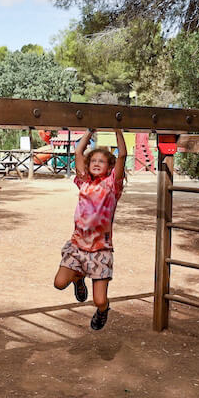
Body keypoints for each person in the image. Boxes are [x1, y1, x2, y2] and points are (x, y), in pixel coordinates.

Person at [54, 128, 127, 330]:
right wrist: (90, 130)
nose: (96, 164)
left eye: (101, 161)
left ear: (109, 167)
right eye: (93, 160)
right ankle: (78, 279)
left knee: (100, 301)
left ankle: (103, 311)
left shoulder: (113, 185)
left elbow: (122, 155)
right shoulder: (84, 182)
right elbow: (78, 153)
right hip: (78, 245)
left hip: (100, 249)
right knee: (59, 283)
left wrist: (118, 130)